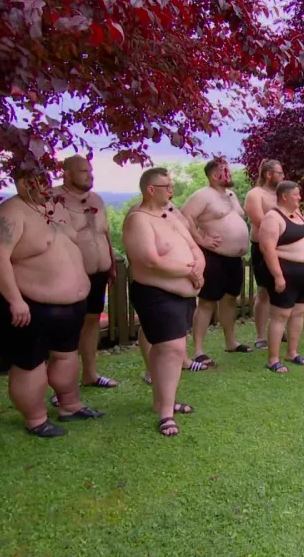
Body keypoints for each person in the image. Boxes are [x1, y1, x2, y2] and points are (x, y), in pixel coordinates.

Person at [0, 168, 104, 439]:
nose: (43, 187)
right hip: (31, 304)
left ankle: (70, 405)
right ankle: (35, 418)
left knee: (67, 356)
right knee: (30, 364)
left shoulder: (54, 209)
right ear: (20, 183)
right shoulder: (10, 214)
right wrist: (15, 300)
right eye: (34, 182)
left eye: (46, 181)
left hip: (72, 305)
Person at [122, 168, 203, 436]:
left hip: (183, 295)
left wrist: (199, 267)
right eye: (166, 186)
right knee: (172, 348)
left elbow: (195, 248)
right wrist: (189, 272)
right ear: (150, 189)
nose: (172, 190)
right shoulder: (138, 220)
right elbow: (150, 261)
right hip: (155, 293)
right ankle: (166, 413)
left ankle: (161, 401)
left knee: (167, 348)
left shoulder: (170, 215)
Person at [50, 155, 118, 397]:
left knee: (91, 322)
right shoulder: (54, 199)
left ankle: (90, 374)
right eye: (83, 171)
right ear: (67, 174)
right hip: (69, 276)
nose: (90, 175)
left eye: (90, 171)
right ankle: (60, 388)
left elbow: (105, 234)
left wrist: (111, 264)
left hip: (98, 274)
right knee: (65, 330)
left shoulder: (96, 199)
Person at [180, 158, 254, 369]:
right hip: (213, 256)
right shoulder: (203, 195)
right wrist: (201, 240)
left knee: (229, 299)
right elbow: (185, 216)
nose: (230, 173)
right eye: (226, 171)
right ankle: (199, 350)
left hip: (234, 259)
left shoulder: (230, 195)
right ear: (214, 175)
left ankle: (231, 342)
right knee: (206, 302)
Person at [259, 181, 304, 373]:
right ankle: (273, 359)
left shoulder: (297, 215)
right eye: (296, 195)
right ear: (284, 196)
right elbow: (267, 248)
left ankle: (292, 352)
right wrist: (278, 276)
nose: (299, 198)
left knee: (299, 313)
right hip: (287, 272)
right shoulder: (273, 217)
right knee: (281, 315)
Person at [244, 159, 284, 349]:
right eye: (280, 173)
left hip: (284, 248)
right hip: (263, 248)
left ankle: (278, 328)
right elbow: (260, 221)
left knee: (282, 289)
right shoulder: (255, 194)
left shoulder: (282, 194)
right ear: (269, 174)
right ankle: (261, 336)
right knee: (264, 292)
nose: (283, 176)